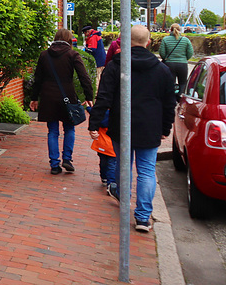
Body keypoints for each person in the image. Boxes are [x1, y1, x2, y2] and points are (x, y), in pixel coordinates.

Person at [88, 25, 175, 233]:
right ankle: (143, 218)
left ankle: (124, 204)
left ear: (124, 41)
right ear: (148, 42)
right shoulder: (162, 70)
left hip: (121, 126)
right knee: (146, 171)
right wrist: (165, 128)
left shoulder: (116, 66)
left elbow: (104, 97)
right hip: (150, 127)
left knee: (123, 166)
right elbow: (168, 103)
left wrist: (94, 123)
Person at [30, 28, 94, 175]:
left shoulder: (44, 55)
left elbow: (37, 79)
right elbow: (84, 76)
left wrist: (34, 98)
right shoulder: (73, 54)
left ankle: (54, 164)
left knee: (52, 131)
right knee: (69, 129)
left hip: (48, 97)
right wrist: (89, 96)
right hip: (68, 97)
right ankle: (67, 158)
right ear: (69, 40)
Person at [159, 23, 194, 100]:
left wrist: (166, 58)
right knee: (183, 83)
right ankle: (180, 98)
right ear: (179, 30)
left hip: (169, 64)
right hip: (182, 64)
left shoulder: (165, 39)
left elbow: (162, 53)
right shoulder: (185, 40)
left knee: (170, 83)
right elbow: (190, 52)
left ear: (170, 30)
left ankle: (171, 99)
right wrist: (185, 59)